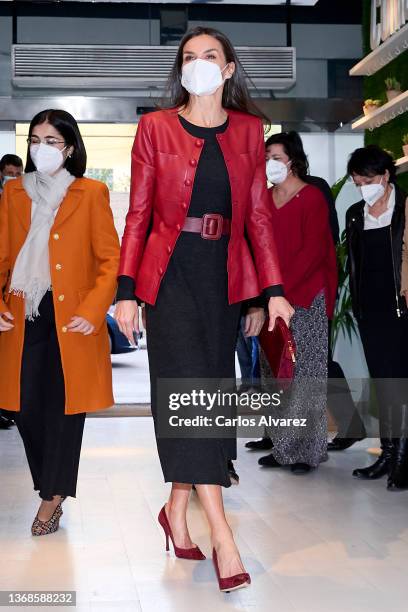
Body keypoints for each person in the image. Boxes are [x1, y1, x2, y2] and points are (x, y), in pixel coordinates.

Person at [114, 27, 293, 592]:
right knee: (190, 391)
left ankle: (175, 508)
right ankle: (221, 533)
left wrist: (272, 289)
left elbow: (259, 218)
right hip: (169, 278)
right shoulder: (155, 128)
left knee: (210, 395)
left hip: (224, 280)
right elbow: (138, 214)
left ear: (230, 67)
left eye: (208, 57)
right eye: (188, 58)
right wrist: (125, 290)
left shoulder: (248, 132)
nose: (198, 66)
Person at [0, 109, 120, 534]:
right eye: (35, 139)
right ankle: (48, 486)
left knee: (67, 408)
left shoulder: (91, 192)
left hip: (72, 317)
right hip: (23, 311)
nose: (41, 148)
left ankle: (52, 498)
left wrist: (93, 311)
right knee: (26, 406)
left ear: (69, 147)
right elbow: (4, 256)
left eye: (51, 141)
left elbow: (109, 260)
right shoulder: (15, 193)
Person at [257, 131, 338, 473]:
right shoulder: (261, 199)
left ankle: (307, 450)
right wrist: (267, 294)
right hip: (271, 300)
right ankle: (282, 445)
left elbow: (314, 251)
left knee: (307, 374)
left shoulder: (312, 197)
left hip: (305, 297)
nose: (269, 164)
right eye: (265, 158)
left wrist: (281, 291)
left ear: (292, 160)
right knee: (275, 373)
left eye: (274, 157)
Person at [346, 145, 408, 490]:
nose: (363, 187)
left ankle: (402, 459)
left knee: (399, 383)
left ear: (385, 176)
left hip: (400, 308)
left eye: (367, 179)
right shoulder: (357, 213)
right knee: (384, 383)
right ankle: (387, 453)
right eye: (357, 181)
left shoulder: (405, 207)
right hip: (370, 308)